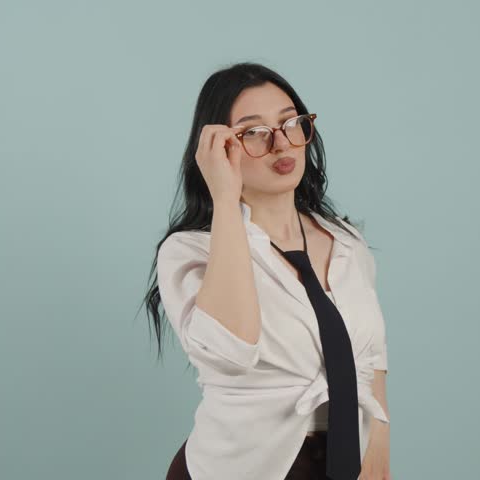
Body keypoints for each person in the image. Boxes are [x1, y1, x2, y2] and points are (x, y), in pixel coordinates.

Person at [144, 62, 391, 479]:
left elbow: (371, 357)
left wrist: (379, 448)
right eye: (254, 132)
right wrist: (225, 199)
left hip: (344, 461)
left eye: (290, 123)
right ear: (220, 149)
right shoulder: (190, 252)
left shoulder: (346, 242)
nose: (280, 144)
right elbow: (232, 350)